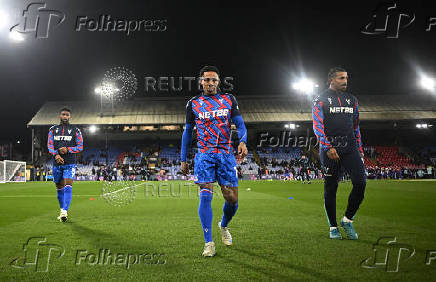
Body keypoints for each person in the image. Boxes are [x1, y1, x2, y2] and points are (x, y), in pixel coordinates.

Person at [181, 66, 248, 257]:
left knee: (232, 199)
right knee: (205, 196)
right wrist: (183, 159)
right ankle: (208, 242)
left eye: (214, 80)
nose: (210, 83)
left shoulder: (228, 100)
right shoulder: (193, 103)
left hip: (226, 155)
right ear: (201, 81)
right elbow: (187, 132)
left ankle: (224, 225)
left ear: (218, 82)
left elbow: (241, 125)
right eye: (206, 80)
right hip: (204, 155)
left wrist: (243, 140)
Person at [312, 67, 366, 240]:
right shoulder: (320, 99)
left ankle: (348, 220)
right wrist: (327, 147)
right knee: (331, 187)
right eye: (341, 78)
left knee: (360, 183)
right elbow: (317, 126)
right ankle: (333, 227)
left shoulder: (352, 100)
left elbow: (356, 126)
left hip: (350, 148)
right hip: (329, 150)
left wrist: (360, 149)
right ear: (331, 80)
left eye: (346, 78)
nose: (345, 81)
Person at [47, 107, 83, 222]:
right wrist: (56, 155)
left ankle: (64, 211)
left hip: (70, 163)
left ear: (70, 116)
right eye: (63, 114)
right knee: (59, 188)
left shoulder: (76, 130)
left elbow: (80, 146)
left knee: (68, 186)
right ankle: (62, 209)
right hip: (56, 163)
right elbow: (50, 145)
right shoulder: (53, 130)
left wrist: (68, 149)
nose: (65, 117)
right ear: (60, 115)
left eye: (67, 115)